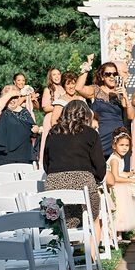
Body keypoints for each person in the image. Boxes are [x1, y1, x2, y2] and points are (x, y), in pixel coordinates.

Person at [43, 100, 105, 253]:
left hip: (54, 185)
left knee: (61, 221)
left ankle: (65, 257)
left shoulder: (52, 132)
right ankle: (91, 259)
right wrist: (95, 179)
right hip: (83, 184)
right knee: (94, 218)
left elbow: (46, 164)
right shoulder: (91, 133)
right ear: (86, 115)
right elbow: (99, 165)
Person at [77, 61, 135, 159]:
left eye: (114, 74)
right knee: (100, 166)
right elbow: (78, 88)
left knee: (120, 170)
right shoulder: (96, 90)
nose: (112, 76)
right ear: (102, 77)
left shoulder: (120, 92)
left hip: (119, 136)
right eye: (108, 74)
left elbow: (131, 116)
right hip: (102, 135)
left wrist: (125, 96)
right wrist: (86, 68)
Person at [106, 129, 135, 236]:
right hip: (116, 190)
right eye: (121, 145)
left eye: (127, 145)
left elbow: (120, 172)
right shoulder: (114, 160)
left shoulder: (119, 158)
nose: (124, 148)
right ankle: (116, 234)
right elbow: (115, 178)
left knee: (123, 212)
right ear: (114, 145)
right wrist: (131, 180)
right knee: (119, 211)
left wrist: (129, 173)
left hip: (121, 188)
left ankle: (119, 234)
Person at [0, 85, 41, 166]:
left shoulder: (24, 111)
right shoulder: (2, 111)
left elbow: (31, 133)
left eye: (15, 97)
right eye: (10, 97)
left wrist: (35, 131)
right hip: (4, 157)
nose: (13, 100)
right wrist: (11, 93)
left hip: (25, 156)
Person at [38, 67, 67, 165]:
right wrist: (60, 107)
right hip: (50, 118)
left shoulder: (64, 88)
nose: (57, 76)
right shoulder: (48, 89)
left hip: (62, 119)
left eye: (58, 74)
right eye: (54, 74)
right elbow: (45, 107)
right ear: (50, 76)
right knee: (48, 141)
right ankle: (44, 164)